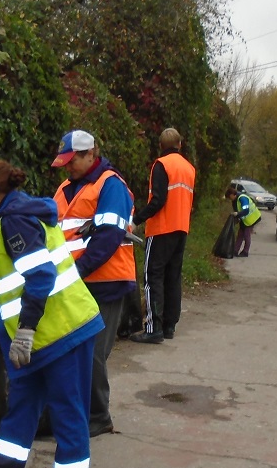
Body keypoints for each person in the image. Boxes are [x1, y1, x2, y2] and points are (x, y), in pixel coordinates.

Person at [0, 159, 104, 468]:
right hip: (45, 332)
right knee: (23, 400)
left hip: (63, 331)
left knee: (67, 405)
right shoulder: (19, 214)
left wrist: (23, 331)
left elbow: (40, 277)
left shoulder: (15, 221)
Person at [51, 130, 137, 437]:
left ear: (91, 154)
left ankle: (98, 416)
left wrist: (76, 270)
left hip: (106, 281)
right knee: (73, 350)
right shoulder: (65, 187)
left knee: (93, 351)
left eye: (72, 161)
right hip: (75, 280)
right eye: (65, 163)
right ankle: (78, 411)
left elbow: (109, 238)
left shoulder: (111, 185)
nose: (68, 167)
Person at [130, 127, 195, 343]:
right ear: (180, 144)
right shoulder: (189, 168)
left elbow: (157, 200)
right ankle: (169, 326)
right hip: (181, 228)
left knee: (152, 277)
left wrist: (137, 220)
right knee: (172, 277)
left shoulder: (161, 165)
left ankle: (152, 328)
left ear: (161, 146)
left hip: (161, 229)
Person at [226, 183, 261, 257]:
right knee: (240, 234)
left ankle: (245, 252)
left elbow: (246, 211)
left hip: (252, 218)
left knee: (246, 234)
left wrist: (237, 214)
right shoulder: (235, 200)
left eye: (230, 197)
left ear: (232, 195)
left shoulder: (242, 198)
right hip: (245, 219)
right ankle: (235, 251)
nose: (230, 199)